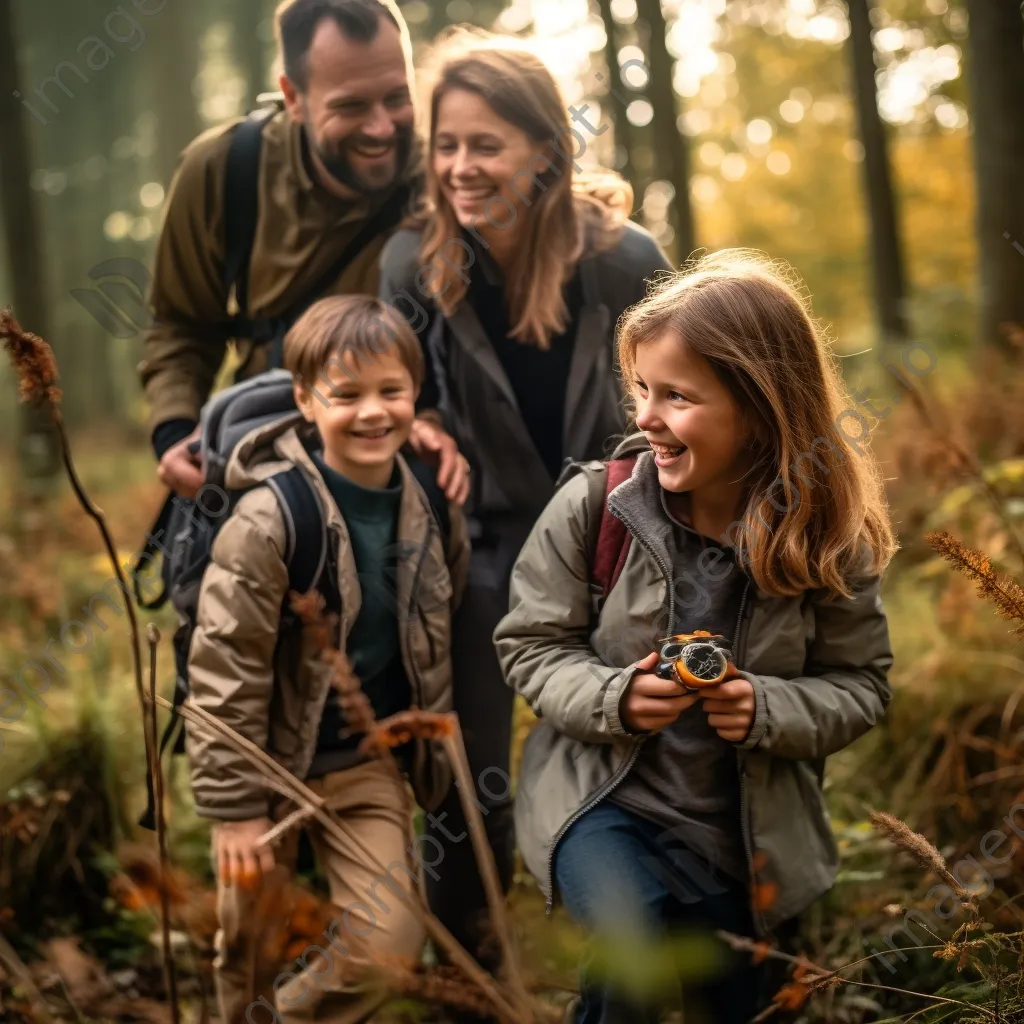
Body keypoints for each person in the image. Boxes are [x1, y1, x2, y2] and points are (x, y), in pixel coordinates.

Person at [494, 250, 897, 1023]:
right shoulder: (595, 506)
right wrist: (614, 696)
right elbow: (530, 645)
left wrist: (767, 708)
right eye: (641, 389)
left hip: (745, 836)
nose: (645, 416)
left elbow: (862, 683)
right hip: (604, 801)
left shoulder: (826, 539)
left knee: (740, 1004)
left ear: (762, 409)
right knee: (631, 963)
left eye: (676, 396)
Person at [377, 31, 673, 972]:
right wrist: (416, 418)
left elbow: (683, 392)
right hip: (482, 545)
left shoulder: (624, 260)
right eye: (446, 145)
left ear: (546, 149)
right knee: (468, 768)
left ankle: (648, 946)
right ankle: (469, 968)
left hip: (620, 542)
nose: (460, 168)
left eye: (485, 144)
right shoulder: (410, 265)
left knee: (633, 742)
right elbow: (396, 386)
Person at [185, 295, 469, 1024]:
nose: (372, 412)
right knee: (250, 944)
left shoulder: (432, 500)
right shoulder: (268, 520)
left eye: (391, 391)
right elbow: (226, 669)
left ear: (416, 394)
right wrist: (236, 811)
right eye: (346, 395)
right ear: (306, 401)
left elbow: (438, 615)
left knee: (386, 949)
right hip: (268, 766)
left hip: (361, 764)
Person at [140, 0, 468, 506]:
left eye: (397, 98)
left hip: (410, 457)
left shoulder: (448, 169)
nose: (381, 128)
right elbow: (180, 326)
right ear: (293, 97)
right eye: (350, 106)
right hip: (267, 456)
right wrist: (175, 432)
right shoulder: (225, 171)